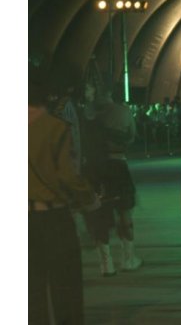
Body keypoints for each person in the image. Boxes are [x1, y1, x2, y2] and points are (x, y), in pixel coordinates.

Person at [29, 57, 100, 324]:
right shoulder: (56, 128)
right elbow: (68, 176)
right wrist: (90, 200)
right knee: (66, 289)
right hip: (54, 218)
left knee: (30, 292)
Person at [83, 86, 142, 276]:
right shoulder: (122, 112)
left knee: (100, 213)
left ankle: (106, 264)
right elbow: (132, 137)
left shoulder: (86, 113)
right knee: (125, 211)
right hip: (118, 164)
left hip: (94, 169)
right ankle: (128, 259)